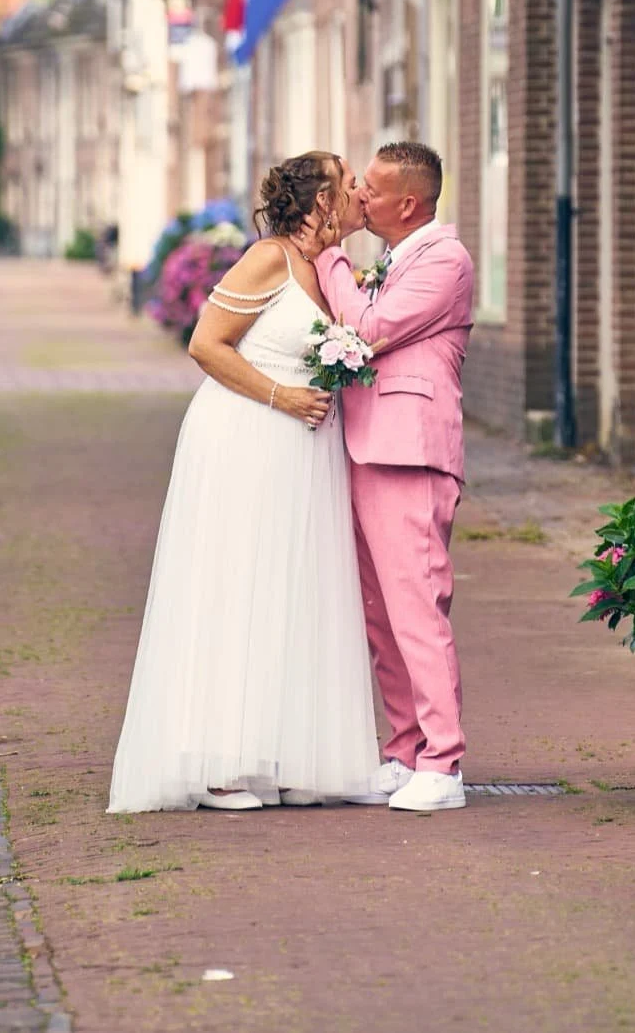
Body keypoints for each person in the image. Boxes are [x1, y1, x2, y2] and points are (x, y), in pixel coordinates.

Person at [106, 152, 379, 811]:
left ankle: (284, 749)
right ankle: (221, 763)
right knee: (237, 584)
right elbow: (206, 344)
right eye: (347, 185)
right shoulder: (269, 259)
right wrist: (283, 396)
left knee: (292, 588)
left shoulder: (331, 270)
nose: (358, 194)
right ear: (319, 200)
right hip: (246, 436)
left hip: (305, 451)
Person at [314, 142, 476, 813]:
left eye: (370, 191)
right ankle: (404, 750)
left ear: (408, 203)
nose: (358, 199)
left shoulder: (445, 259)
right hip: (365, 445)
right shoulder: (394, 259)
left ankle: (444, 761)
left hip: (410, 450)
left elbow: (369, 327)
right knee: (380, 614)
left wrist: (328, 257)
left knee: (415, 606)